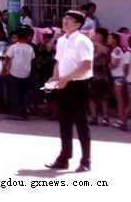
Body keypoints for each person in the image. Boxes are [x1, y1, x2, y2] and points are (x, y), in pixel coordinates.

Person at [46, 11, 94, 173]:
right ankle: (64, 158)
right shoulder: (61, 40)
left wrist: (66, 79)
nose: (65, 22)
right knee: (64, 122)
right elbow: (58, 62)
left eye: (70, 19)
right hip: (63, 84)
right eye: (64, 18)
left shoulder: (83, 41)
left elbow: (85, 66)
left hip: (78, 85)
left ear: (78, 24)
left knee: (81, 123)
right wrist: (55, 77)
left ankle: (86, 160)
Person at [5, 27, 36, 120]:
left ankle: (15, 113)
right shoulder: (30, 48)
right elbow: (33, 60)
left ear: (18, 36)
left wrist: (4, 70)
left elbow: (7, 59)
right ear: (27, 37)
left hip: (14, 73)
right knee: (24, 94)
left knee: (14, 94)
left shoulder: (13, 47)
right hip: (26, 74)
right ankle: (24, 112)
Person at [88, 28, 111, 126]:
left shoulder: (106, 45)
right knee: (92, 96)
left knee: (103, 97)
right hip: (92, 73)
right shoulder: (91, 45)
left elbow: (106, 52)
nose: (96, 35)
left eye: (98, 34)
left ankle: (105, 117)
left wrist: (96, 43)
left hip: (102, 74)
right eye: (95, 34)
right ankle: (93, 117)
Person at [108, 33, 129, 130]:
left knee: (119, 100)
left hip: (118, 77)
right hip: (120, 77)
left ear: (115, 40)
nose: (108, 40)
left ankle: (121, 120)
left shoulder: (116, 50)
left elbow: (113, 65)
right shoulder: (120, 49)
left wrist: (105, 61)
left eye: (110, 38)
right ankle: (121, 119)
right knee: (122, 100)